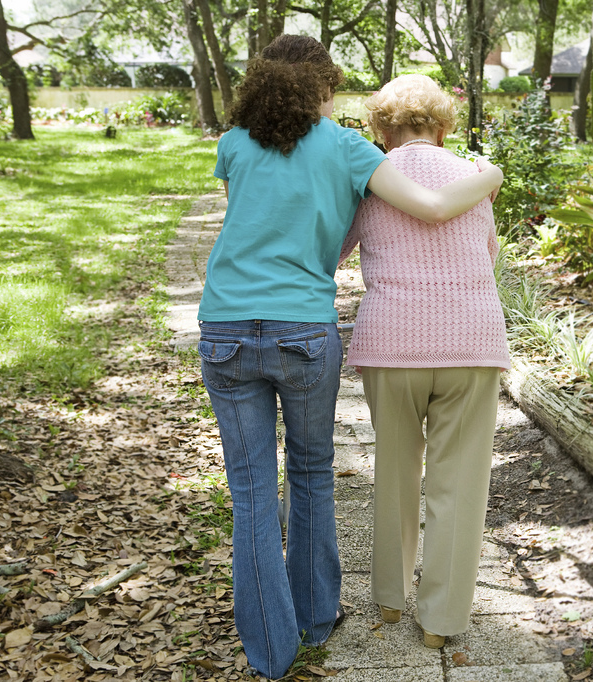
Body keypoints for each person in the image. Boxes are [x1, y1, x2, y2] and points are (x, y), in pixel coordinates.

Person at [198, 38, 502, 680]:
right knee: (320, 472)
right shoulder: (354, 153)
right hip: (339, 332)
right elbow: (453, 224)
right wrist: (492, 175)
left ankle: (281, 648)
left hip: (240, 324)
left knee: (256, 490)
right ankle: (353, 619)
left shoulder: (240, 144)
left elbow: (275, 226)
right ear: (323, 89)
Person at [339, 74, 511, 649]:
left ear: (381, 130)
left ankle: (390, 599)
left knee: (394, 468)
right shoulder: (474, 177)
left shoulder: (369, 180)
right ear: (443, 127)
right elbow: (486, 254)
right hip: (472, 342)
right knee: (458, 483)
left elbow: (335, 249)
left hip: (392, 343)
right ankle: (440, 622)